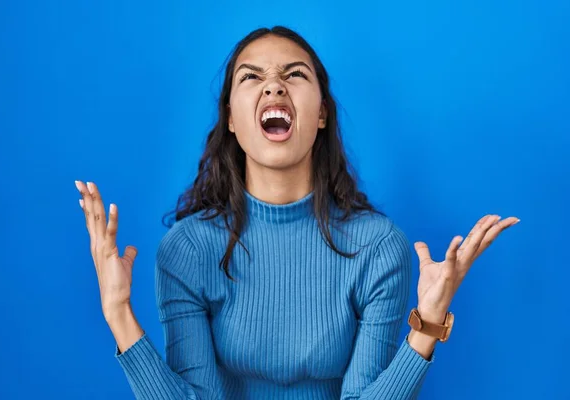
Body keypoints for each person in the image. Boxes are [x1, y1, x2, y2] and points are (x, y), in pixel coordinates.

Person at [74, 26, 519, 399]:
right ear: (230, 117)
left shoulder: (379, 248)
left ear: (321, 113)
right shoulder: (187, 250)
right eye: (251, 77)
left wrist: (430, 323)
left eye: (294, 74)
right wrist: (118, 312)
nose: (273, 85)